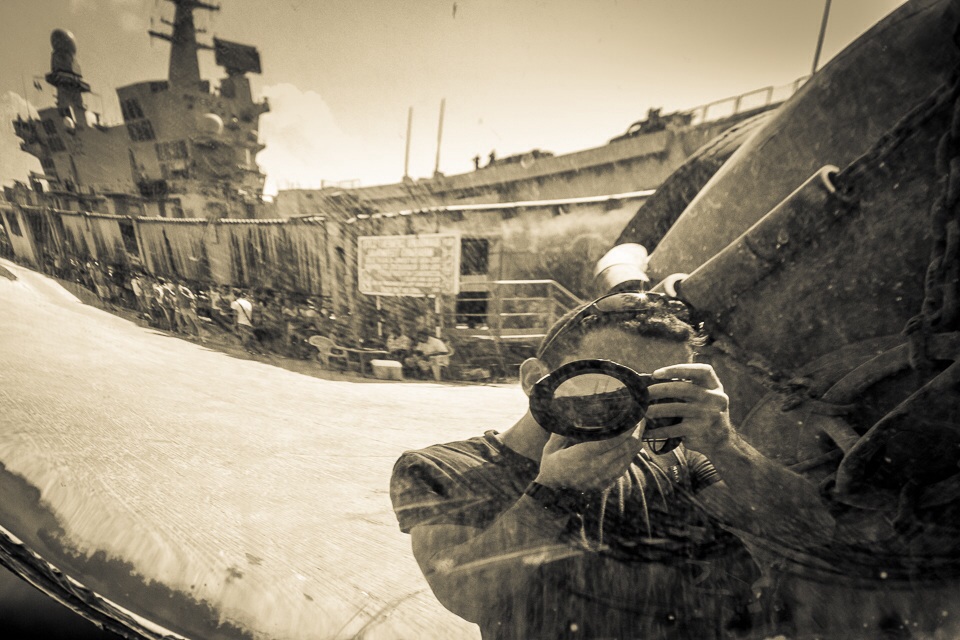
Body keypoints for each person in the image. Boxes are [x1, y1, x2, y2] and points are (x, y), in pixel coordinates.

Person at [390, 292, 834, 640]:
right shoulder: (442, 468)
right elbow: (466, 597)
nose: (630, 402)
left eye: (657, 388)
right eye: (605, 379)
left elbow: (810, 528)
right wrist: (552, 495)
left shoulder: (674, 459)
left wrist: (725, 443)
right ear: (534, 378)